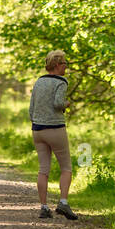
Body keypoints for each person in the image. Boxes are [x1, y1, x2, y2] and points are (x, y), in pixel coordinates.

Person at [30, 50, 77, 219]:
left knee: (43, 169)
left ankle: (44, 207)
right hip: (55, 128)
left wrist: (36, 122)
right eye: (65, 63)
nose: (66, 67)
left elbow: (31, 108)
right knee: (66, 167)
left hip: (37, 130)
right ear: (57, 65)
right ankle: (63, 203)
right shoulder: (61, 81)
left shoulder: (39, 81)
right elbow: (58, 103)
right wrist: (66, 104)